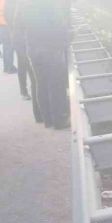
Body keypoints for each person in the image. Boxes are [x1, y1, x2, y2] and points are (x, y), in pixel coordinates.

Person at [19, 0, 70, 129]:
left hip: (33, 49)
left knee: (41, 83)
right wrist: (67, 39)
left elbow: (19, 26)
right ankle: (59, 120)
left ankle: (48, 120)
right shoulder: (51, 4)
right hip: (51, 47)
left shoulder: (26, 5)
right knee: (56, 84)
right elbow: (58, 25)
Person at [7, 0, 31, 100]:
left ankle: (25, 90)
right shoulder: (17, 4)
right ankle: (26, 90)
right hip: (21, 38)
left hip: (19, 37)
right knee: (26, 64)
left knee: (24, 64)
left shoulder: (11, 3)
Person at [0, 0, 17, 73]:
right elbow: (9, 13)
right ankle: (9, 67)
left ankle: (6, 67)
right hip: (7, 25)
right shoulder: (8, 1)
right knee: (9, 46)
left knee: (5, 46)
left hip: (1, 25)